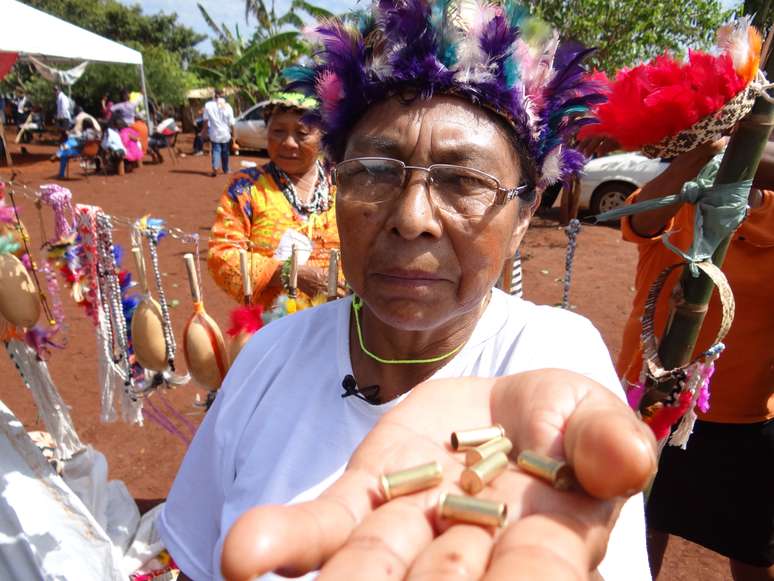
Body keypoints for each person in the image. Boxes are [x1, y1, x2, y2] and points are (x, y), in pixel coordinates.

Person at [159, 3, 657, 580]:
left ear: (524, 215)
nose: (412, 216)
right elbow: (196, 559)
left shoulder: (555, 355)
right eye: (374, 169)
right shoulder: (269, 355)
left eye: (465, 180)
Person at [616, 140, 774, 580]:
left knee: (752, 554)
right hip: (649, 406)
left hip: (741, 419)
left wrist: (744, 149)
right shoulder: (678, 205)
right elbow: (640, 218)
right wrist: (707, 149)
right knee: (638, 538)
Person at [207, 92, 340, 308]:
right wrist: (287, 272)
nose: (288, 143)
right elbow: (221, 255)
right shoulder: (246, 187)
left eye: (302, 133)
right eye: (278, 131)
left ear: (323, 135)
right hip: (272, 326)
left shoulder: (344, 182)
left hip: (342, 321)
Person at [202, 88, 235, 177]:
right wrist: (233, 136)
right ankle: (226, 169)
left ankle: (215, 168)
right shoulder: (228, 106)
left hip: (214, 133)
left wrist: (204, 131)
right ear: (223, 95)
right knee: (225, 152)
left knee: (216, 150)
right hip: (225, 134)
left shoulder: (208, 105)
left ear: (214, 94)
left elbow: (205, 120)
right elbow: (232, 123)